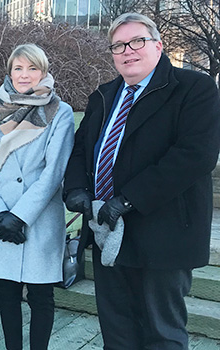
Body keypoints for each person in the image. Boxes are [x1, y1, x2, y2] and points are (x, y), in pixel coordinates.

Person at [63, 12, 220, 349]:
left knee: (161, 333)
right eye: (118, 45)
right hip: (108, 230)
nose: (127, 51)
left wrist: (129, 198)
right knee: (117, 331)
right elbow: (80, 148)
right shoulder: (104, 96)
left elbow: (195, 155)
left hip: (163, 232)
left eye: (137, 41)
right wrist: (75, 188)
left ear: (159, 46)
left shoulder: (194, 89)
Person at [0, 44, 74, 350]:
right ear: (9, 71)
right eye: (18, 68)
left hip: (38, 218)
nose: (24, 75)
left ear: (44, 72)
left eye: (32, 68)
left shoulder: (59, 111)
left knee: (42, 295)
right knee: (6, 293)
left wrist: (19, 216)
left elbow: (54, 172)